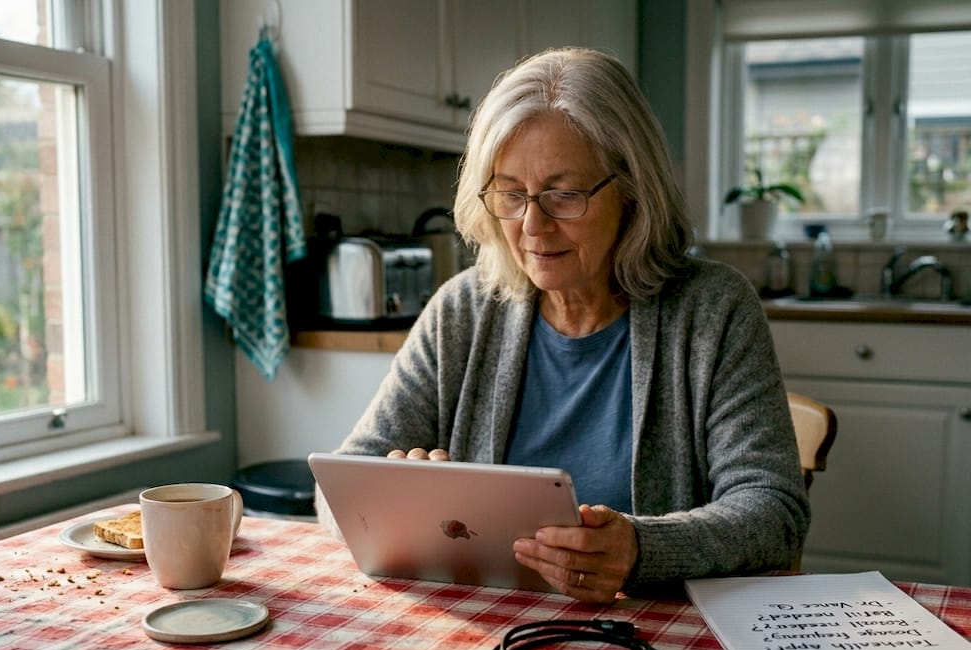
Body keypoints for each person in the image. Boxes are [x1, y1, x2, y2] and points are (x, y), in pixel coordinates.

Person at [318, 47, 808, 603]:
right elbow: (338, 489)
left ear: (631, 191)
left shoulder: (712, 309)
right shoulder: (461, 311)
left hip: (658, 636)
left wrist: (643, 550)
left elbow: (774, 510)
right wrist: (392, 497)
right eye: (510, 193)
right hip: (491, 632)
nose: (532, 225)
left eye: (563, 194)